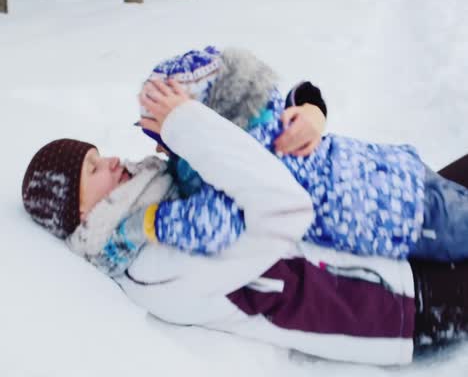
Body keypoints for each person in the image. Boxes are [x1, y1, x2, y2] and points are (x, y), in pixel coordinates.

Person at [21, 84, 468, 365]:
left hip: (388, 227)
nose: (113, 160)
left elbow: (258, 156)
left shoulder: (159, 188)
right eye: (94, 168)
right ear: (79, 213)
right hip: (401, 302)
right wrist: (187, 124)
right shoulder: (151, 263)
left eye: (100, 153)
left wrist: (307, 111)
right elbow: (283, 209)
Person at [136, 47, 468, 266]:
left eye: (162, 137)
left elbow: (218, 223)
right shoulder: (263, 118)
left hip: (409, 219)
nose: (157, 149)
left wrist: (153, 221)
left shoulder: (237, 163)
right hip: (403, 171)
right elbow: (301, 96)